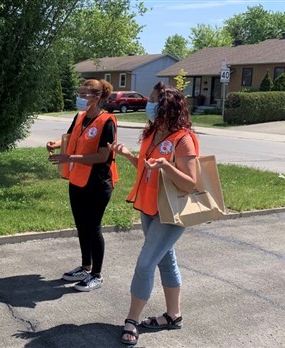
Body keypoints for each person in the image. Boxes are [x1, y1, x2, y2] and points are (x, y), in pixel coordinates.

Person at [109, 82, 198, 346]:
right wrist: (127, 155)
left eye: (154, 100)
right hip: (149, 207)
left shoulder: (183, 139)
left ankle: (132, 320)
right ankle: (174, 315)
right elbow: (147, 168)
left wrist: (166, 167)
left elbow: (190, 183)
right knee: (165, 259)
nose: (148, 104)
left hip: (170, 212)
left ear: (167, 105)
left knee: (145, 263)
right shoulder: (153, 132)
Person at [46, 79, 118, 292]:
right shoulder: (80, 117)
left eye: (83, 94)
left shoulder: (107, 121)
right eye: (79, 93)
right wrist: (56, 144)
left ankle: (96, 274)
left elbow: (104, 156)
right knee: (81, 225)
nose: (79, 97)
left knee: (93, 227)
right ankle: (85, 266)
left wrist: (71, 158)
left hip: (98, 182)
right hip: (78, 179)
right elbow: (70, 138)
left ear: (96, 98)